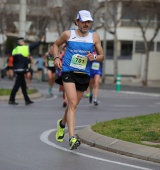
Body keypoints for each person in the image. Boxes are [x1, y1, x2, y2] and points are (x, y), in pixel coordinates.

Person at [53, 10, 104, 150]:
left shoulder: (94, 37)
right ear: (77, 21)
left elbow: (102, 56)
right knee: (73, 103)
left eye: (88, 22)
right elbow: (55, 45)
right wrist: (56, 58)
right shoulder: (68, 34)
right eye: (83, 21)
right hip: (68, 72)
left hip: (84, 74)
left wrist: (94, 57)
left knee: (72, 106)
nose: (86, 24)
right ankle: (72, 137)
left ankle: (62, 124)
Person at [8, 36, 45, 105]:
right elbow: (33, 46)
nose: (24, 43)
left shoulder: (15, 49)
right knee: (17, 85)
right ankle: (11, 99)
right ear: (21, 42)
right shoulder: (24, 48)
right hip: (22, 69)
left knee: (23, 85)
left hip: (17, 68)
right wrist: (40, 41)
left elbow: (14, 60)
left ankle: (27, 100)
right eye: (23, 41)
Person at [56, 43, 68, 107]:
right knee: (63, 87)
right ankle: (64, 97)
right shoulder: (61, 54)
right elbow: (56, 61)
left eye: (66, 46)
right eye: (64, 46)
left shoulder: (70, 53)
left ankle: (65, 100)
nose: (65, 47)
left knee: (66, 86)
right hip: (61, 72)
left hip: (68, 72)